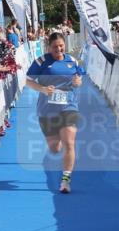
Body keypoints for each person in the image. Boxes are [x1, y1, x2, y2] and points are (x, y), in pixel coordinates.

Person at [25, 32, 84, 194]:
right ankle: (55, 145)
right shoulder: (41, 62)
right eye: (55, 47)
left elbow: (79, 78)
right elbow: (27, 80)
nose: (59, 49)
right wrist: (42, 89)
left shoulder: (71, 60)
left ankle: (65, 181)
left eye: (61, 46)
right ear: (49, 47)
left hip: (69, 106)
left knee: (69, 143)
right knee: (55, 148)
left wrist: (78, 82)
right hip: (47, 110)